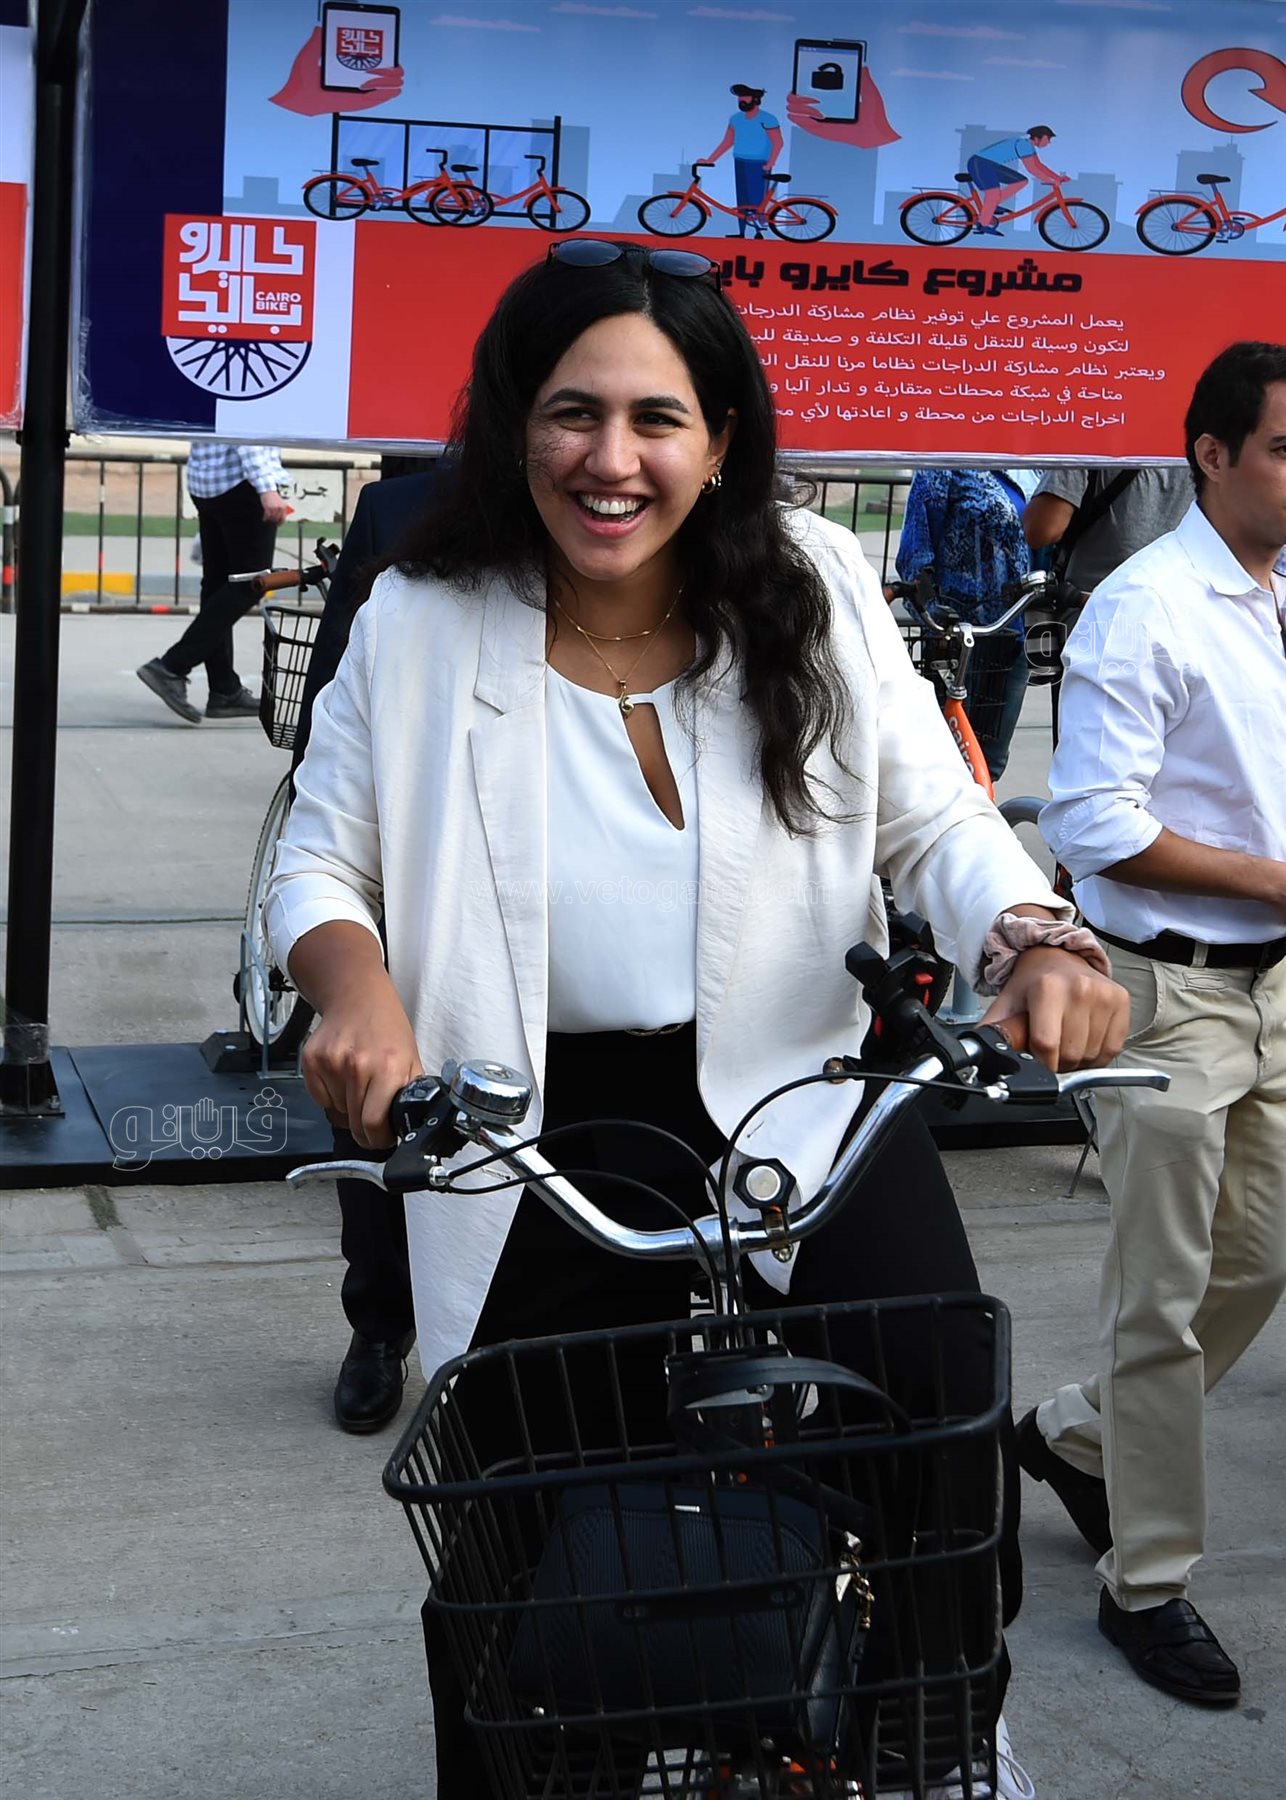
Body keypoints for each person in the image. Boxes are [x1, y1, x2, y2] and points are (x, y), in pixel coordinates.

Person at [264, 238, 1128, 1795]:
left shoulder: (811, 579)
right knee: (517, 1481)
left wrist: (1032, 935)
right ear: (512, 424)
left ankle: (931, 1730)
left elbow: (934, 820)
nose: (612, 459)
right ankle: (535, 1762)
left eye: (656, 419)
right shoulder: (422, 616)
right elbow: (318, 857)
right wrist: (359, 990)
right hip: (530, 1119)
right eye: (571, 413)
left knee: (932, 1401)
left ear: (718, 439)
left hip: (795, 1086)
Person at [1025, 340, 1286, 1708]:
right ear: (1210, 454)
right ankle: (1146, 1581)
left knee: (1259, 1262)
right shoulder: (1143, 608)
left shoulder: (1276, 594)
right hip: (1165, 992)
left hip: (1274, 989)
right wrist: (1272, 881)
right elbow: (1093, 824)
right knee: (1162, 1299)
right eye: (1285, 449)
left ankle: (1075, 1434)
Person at [292, 467, 439, 1432]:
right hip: (408, 854)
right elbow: (330, 702)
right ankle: (380, 1325)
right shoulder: (403, 511)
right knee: (376, 1089)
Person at [894, 467, 1034, 781]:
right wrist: (933, 611)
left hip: (1014, 631)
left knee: (990, 763)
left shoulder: (1027, 467)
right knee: (950, 763)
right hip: (961, 640)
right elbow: (914, 556)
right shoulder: (943, 468)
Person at [137, 441, 291, 723]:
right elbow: (248, 430)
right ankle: (172, 666)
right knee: (251, 583)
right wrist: (266, 488)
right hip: (240, 483)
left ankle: (224, 689)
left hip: (207, 482)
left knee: (218, 585)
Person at [1022, 465, 1195, 599]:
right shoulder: (1203, 443)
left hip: (1094, 607)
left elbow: (1042, 531)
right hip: (1181, 608)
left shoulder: (1091, 436)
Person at [706, 83, 783, 237]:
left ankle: (759, 233)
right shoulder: (735, 119)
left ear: (755, 99)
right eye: (740, 97)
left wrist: (770, 162)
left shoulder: (768, 119)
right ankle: (741, 232)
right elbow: (728, 141)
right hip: (740, 161)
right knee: (742, 200)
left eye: (745, 97)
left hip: (759, 163)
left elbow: (778, 142)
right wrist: (710, 159)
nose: (741, 100)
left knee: (757, 201)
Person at [965, 126, 1064, 235]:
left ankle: (991, 206)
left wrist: (1057, 178)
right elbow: (1032, 169)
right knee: (993, 194)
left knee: (1021, 181)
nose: (1049, 142)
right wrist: (1050, 180)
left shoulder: (1028, 146)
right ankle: (983, 224)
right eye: (1048, 139)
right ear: (1037, 138)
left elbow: (1039, 165)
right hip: (980, 164)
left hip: (990, 164)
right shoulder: (1024, 145)